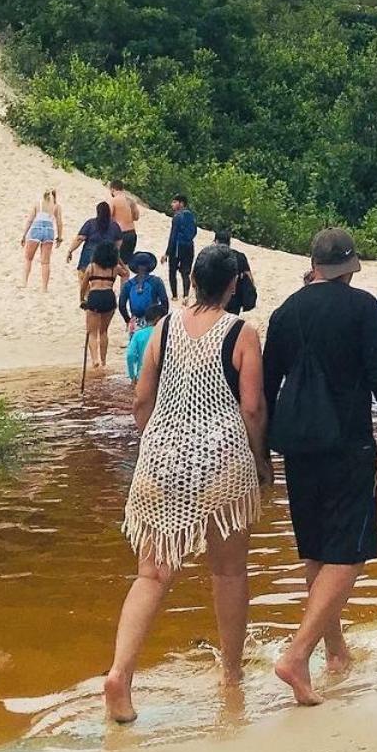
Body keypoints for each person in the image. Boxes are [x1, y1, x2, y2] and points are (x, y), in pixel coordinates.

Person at [106, 244, 269, 722]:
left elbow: (142, 400)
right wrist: (261, 463)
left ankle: (120, 674)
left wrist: (156, 440)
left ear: (193, 278)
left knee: (151, 574)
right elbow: (253, 408)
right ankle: (232, 677)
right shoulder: (242, 333)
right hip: (222, 463)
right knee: (229, 571)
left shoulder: (163, 327)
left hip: (161, 460)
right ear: (234, 284)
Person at [263, 227, 377, 706]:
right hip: (347, 442)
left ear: (315, 264)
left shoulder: (285, 312)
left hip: (296, 445)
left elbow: (266, 389)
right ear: (350, 269)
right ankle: (298, 654)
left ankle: (336, 651)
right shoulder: (362, 307)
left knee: (318, 551)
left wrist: (260, 453)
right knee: (349, 553)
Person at [69, 200, 123, 303]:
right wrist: (114, 250)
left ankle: (89, 296)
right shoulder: (114, 226)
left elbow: (80, 238)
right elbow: (119, 241)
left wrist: (70, 250)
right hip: (108, 255)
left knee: (82, 275)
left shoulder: (91, 223)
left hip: (90, 254)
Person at [82, 240, 122, 368]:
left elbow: (84, 285)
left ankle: (95, 360)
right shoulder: (115, 268)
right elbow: (126, 273)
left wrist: (82, 299)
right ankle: (104, 361)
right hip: (109, 296)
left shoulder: (92, 267)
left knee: (91, 332)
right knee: (104, 331)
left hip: (95, 296)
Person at [119, 250, 171, 339]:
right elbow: (164, 301)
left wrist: (128, 320)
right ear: (149, 266)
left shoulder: (129, 284)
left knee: (135, 347)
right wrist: (162, 318)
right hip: (153, 320)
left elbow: (121, 305)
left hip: (135, 321)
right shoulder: (156, 281)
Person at [20, 189, 64, 290]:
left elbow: (30, 220)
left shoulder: (38, 204)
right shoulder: (56, 206)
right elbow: (59, 223)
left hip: (36, 228)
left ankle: (24, 283)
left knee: (28, 258)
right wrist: (60, 237)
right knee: (45, 262)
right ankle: (44, 288)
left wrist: (24, 235)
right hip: (49, 230)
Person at [212, 228, 258, 314]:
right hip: (235, 299)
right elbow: (249, 277)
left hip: (215, 298)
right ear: (229, 242)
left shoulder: (212, 256)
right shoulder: (240, 257)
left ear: (217, 241)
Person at [166, 195, 198, 300]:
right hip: (189, 246)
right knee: (185, 272)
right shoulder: (191, 216)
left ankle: (175, 296)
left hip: (177, 247)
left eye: (175, 202)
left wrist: (167, 252)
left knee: (172, 271)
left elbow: (173, 236)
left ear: (181, 204)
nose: (172, 204)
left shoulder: (177, 217)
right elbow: (194, 232)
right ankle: (185, 295)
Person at [109, 182, 141, 267]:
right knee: (125, 264)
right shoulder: (130, 200)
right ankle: (125, 280)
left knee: (115, 262)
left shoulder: (114, 200)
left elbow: (108, 217)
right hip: (132, 233)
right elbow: (136, 217)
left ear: (112, 189)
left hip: (120, 234)